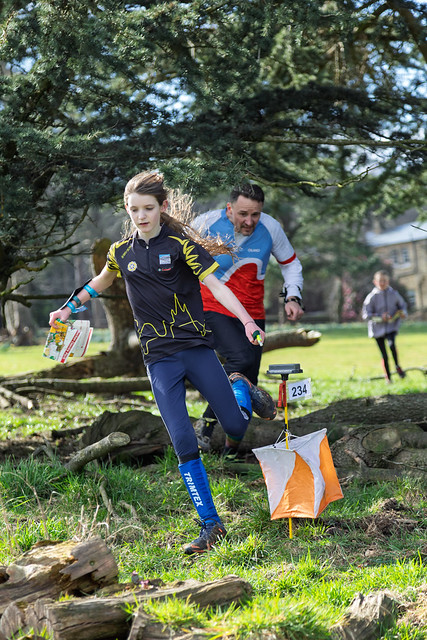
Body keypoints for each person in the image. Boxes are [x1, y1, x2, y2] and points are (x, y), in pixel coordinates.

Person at [48, 171, 276, 555]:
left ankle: (240, 384)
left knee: (235, 425)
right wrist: (67, 309)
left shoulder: (182, 245)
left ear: (162, 208)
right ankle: (211, 525)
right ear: (127, 210)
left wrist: (249, 321)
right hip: (159, 359)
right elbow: (99, 283)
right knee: (183, 439)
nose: (141, 216)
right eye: (134, 209)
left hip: (196, 350)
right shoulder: (121, 253)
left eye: (148, 208)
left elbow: (217, 286)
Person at [191, 183, 304, 451]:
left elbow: (291, 264)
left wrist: (292, 296)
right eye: (243, 214)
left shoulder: (270, 228)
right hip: (212, 305)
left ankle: (232, 449)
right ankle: (205, 426)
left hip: (253, 312)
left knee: (248, 378)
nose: (249, 221)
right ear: (229, 208)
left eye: (255, 214)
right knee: (240, 360)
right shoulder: (205, 223)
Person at [362, 270, 407, 383]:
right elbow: (366, 315)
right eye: (380, 281)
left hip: (391, 327)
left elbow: (403, 306)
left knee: (392, 346)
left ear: (388, 281)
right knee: (384, 354)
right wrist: (380, 317)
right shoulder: (371, 297)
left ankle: (397, 366)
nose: (382, 283)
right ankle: (388, 378)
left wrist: (402, 313)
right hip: (377, 329)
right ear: (375, 282)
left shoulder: (394, 294)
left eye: (385, 281)